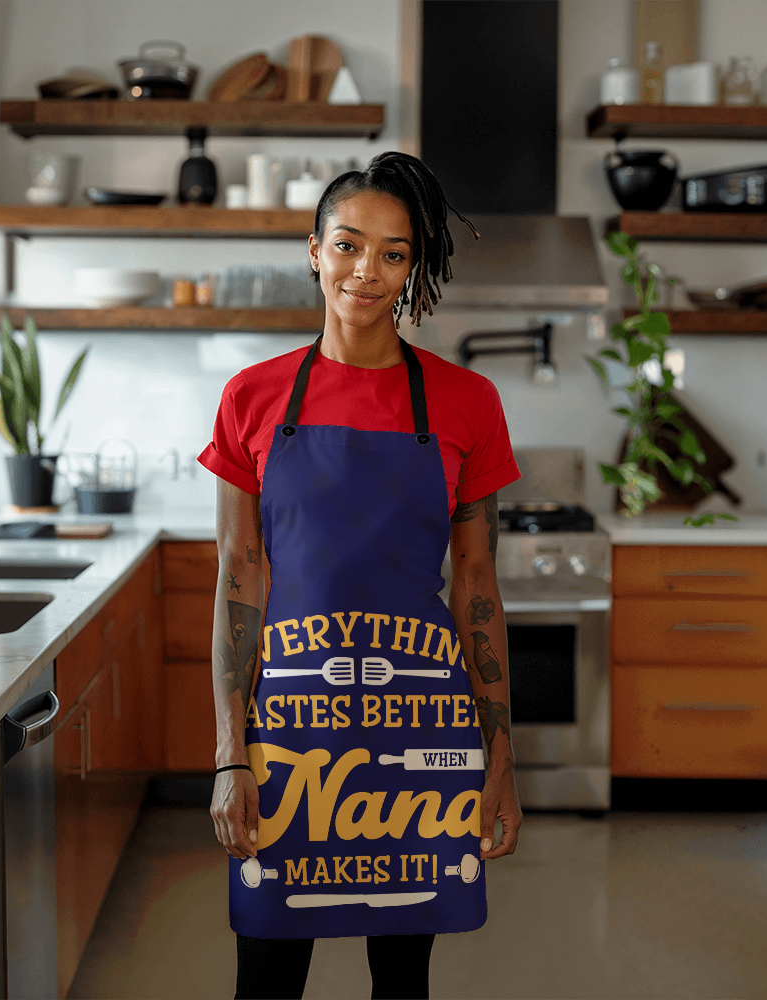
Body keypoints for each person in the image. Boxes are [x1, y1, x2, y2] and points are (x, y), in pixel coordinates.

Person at [197, 151, 522, 1000]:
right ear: (313, 249)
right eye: (347, 245)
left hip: (421, 729)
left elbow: (478, 588)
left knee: (402, 977)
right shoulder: (251, 399)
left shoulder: (466, 403)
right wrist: (232, 754)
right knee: (267, 970)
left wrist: (500, 756)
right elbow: (239, 577)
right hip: (288, 734)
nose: (366, 272)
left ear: (414, 267)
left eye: (393, 253)